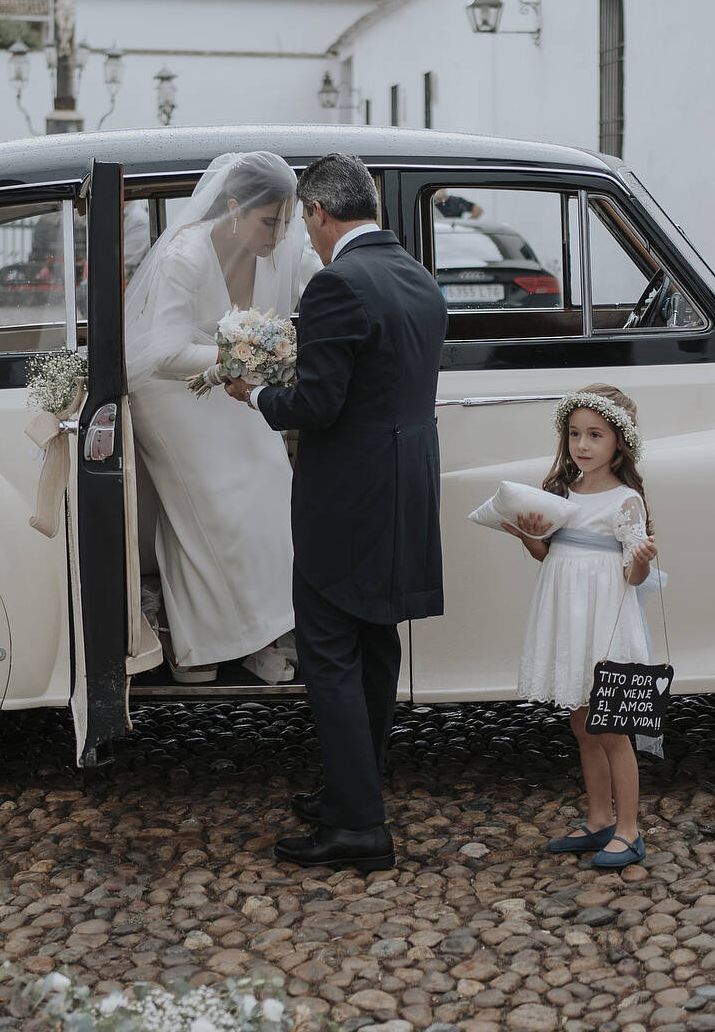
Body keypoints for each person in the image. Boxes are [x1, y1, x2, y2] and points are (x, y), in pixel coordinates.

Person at [224, 153, 449, 873]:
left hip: (347, 497)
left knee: (329, 656)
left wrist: (255, 395)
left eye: (307, 222)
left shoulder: (337, 286)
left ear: (320, 213)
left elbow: (317, 405)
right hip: (406, 486)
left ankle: (358, 826)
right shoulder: (417, 277)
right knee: (377, 647)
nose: (306, 237)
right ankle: (354, 791)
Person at [121, 152, 318, 685]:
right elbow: (164, 352)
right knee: (208, 506)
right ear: (234, 208)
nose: (279, 234)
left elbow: (323, 281)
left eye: (287, 220)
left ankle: (260, 632)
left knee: (274, 483)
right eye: (269, 222)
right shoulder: (185, 255)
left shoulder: (280, 248)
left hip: (231, 385)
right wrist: (248, 359)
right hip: (167, 392)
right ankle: (198, 642)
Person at [505, 385, 661, 869]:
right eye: (575, 434)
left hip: (605, 619)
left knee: (611, 727)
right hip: (567, 617)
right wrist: (529, 539)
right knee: (581, 722)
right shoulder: (561, 492)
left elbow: (634, 578)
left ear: (621, 441)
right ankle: (598, 821)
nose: (582, 445)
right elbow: (550, 555)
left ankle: (630, 829)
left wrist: (641, 559)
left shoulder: (625, 500)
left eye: (595, 435)